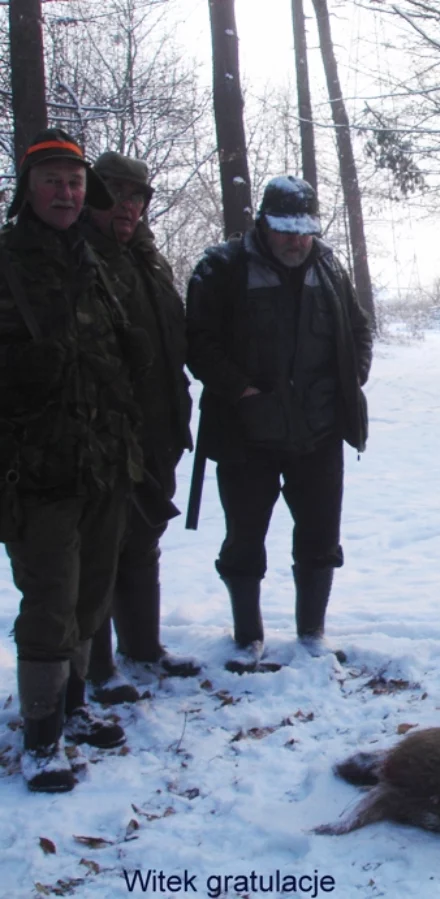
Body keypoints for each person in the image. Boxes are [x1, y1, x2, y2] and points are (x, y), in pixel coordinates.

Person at [0, 129, 148, 792]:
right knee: (51, 597)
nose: (66, 192)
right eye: (53, 180)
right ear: (27, 190)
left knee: (91, 592)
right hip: (37, 468)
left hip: (105, 461)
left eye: (75, 181)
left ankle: (75, 707)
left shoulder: (95, 263)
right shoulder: (8, 263)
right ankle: (40, 737)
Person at [186, 176, 372, 673]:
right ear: (263, 223)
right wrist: (239, 388)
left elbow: (358, 327)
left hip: (319, 432)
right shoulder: (222, 268)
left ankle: (312, 633)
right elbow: (197, 342)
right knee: (244, 539)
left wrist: (352, 376)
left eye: (304, 229)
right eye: (286, 228)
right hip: (246, 434)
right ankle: (247, 637)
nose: (296, 239)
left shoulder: (328, 266)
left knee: (320, 538)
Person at [80, 151, 198, 703]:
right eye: (113, 193)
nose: (125, 206)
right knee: (98, 548)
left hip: (157, 431)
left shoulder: (149, 261)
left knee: (143, 539)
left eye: (136, 196)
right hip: (101, 437)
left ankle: (143, 648)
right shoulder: (79, 256)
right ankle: (97, 667)